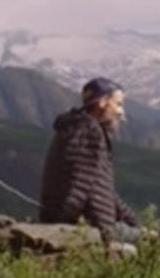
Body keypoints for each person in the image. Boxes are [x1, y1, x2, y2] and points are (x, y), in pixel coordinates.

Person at [39, 76, 142, 244]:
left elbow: (102, 189)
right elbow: (78, 187)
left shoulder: (77, 128)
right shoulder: (89, 132)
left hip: (92, 224)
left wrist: (134, 222)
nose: (121, 112)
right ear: (102, 102)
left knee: (144, 234)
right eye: (118, 104)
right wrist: (64, 224)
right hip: (96, 228)